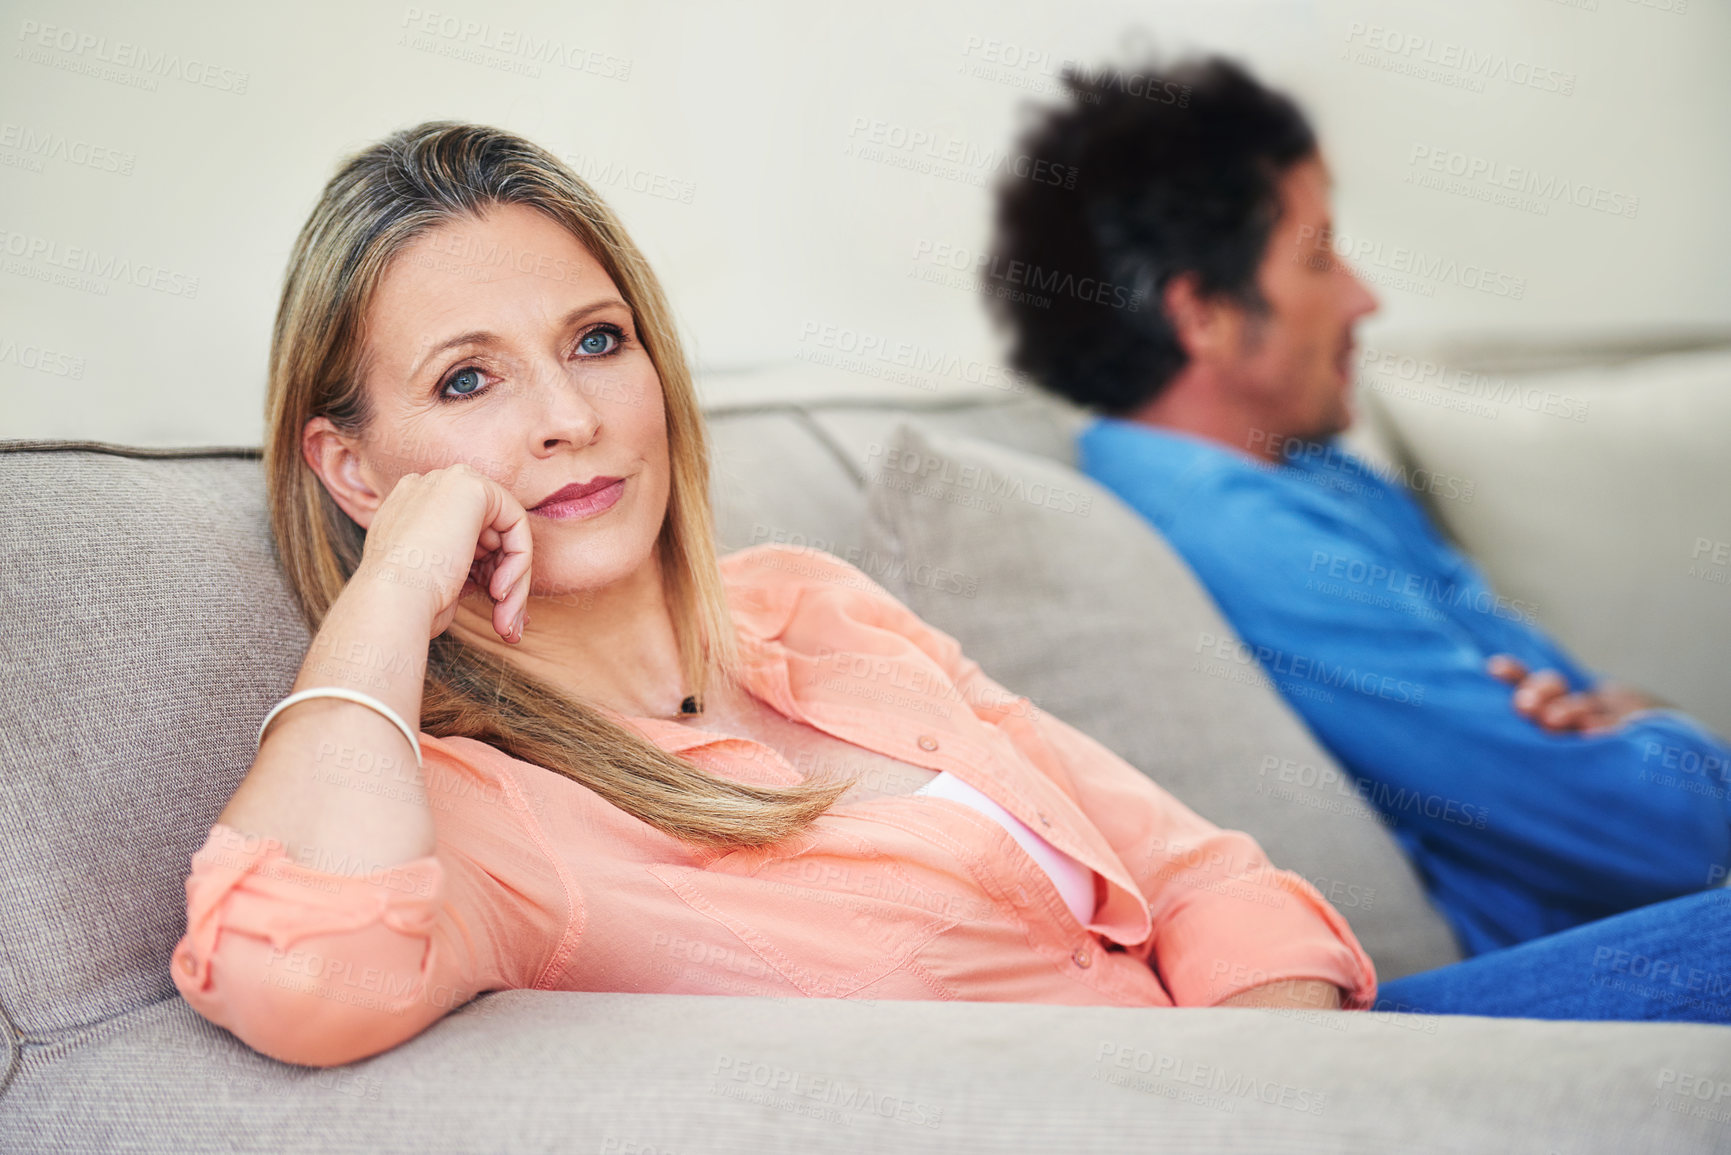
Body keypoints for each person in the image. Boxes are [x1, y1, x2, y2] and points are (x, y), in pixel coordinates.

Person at [170, 123, 1728, 1072]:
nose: (567, 418)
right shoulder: (482, 812)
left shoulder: (813, 606)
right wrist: (390, 589)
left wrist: (1279, 1099)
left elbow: (1195, 870)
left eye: (593, 340)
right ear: (354, 465)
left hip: (1327, 1076)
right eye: (464, 379)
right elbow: (309, 967)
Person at [984, 55, 1731, 959]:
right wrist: (1661, 732)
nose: (1363, 298)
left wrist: (1636, 720)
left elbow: (1580, 719)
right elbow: (1661, 838)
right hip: (1526, 979)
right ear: (1204, 314)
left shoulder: (1312, 473)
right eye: (1318, 254)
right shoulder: (1227, 529)